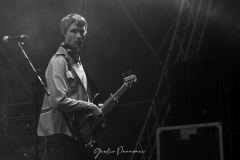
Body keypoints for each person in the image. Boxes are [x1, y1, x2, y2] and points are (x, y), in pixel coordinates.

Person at [37, 13, 102, 160]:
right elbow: (58, 101)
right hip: (68, 134)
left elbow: (80, 98)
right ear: (63, 33)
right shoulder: (58, 62)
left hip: (83, 132)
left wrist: (96, 106)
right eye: (74, 31)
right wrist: (90, 107)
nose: (79, 35)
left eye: (82, 31)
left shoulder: (77, 62)